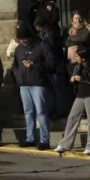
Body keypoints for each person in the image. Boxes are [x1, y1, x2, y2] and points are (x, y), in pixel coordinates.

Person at [11, 22, 56, 150]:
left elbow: (52, 64)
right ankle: (30, 138)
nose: (23, 41)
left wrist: (35, 66)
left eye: (24, 38)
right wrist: (17, 74)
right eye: (21, 39)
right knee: (28, 112)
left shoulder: (42, 45)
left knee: (41, 112)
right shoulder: (19, 48)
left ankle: (44, 140)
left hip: (38, 83)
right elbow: (14, 65)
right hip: (24, 84)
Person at [55, 41, 90, 155]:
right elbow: (73, 81)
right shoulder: (77, 66)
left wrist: (83, 80)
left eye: (77, 56)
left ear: (84, 58)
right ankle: (65, 144)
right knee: (72, 118)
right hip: (79, 96)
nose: (75, 57)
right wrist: (72, 80)